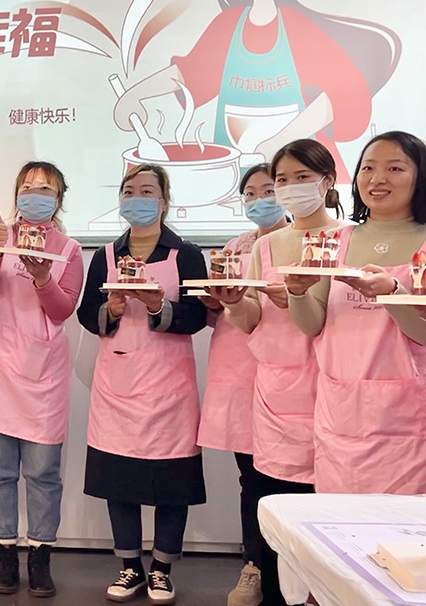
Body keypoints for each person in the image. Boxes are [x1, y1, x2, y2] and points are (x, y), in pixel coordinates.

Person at [115, 0, 397, 179]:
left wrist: (283, 140)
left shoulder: (297, 28)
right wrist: (134, 95)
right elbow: (188, 74)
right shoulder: (228, 26)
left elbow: (344, 93)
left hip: (299, 170)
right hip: (237, 175)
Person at [212, 140, 342, 606]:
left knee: (324, 507)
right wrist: (233, 303)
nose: (290, 188)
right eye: (282, 180)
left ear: (327, 181)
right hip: (275, 390)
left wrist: (301, 299)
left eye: (301, 178)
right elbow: (252, 317)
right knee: (272, 500)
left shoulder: (346, 238)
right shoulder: (266, 246)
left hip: (331, 388)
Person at [76, 164, 208, 605]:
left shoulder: (186, 254)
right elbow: (86, 314)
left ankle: (162, 570)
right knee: (120, 481)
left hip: (169, 386)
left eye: (147, 191)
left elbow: (197, 317)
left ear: (164, 201)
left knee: (171, 482)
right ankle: (130, 566)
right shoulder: (105, 256)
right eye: (129, 191)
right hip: (117, 383)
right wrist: (111, 310)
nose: (137, 198)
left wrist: (157, 306)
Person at [283, 131, 426, 495]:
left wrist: (393, 293)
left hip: (410, 416)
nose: (378, 179)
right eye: (368, 168)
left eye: (395, 168)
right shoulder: (335, 240)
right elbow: (313, 325)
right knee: (337, 519)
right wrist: (297, 292)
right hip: (341, 412)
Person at [0, 162, 83, 598]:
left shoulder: (69, 248)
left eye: (45, 189)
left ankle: (40, 555)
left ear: (58, 198)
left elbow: (62, 310)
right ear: (17, 194)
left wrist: (41, 277)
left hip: (42, 372)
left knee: (43, 472)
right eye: (28, 187)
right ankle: (3, 554)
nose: (35, 194)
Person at [195, 163, 288, 606]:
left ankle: (293, 567)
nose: (258, 200)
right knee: (250, 476)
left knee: (291, 478)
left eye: (269, 190)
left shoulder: (305, 243)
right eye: (250, 193)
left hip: (286, 373)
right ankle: (254, 565)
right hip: (237, 371)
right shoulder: (235, 246)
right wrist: (214, 299)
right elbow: (217, 314)